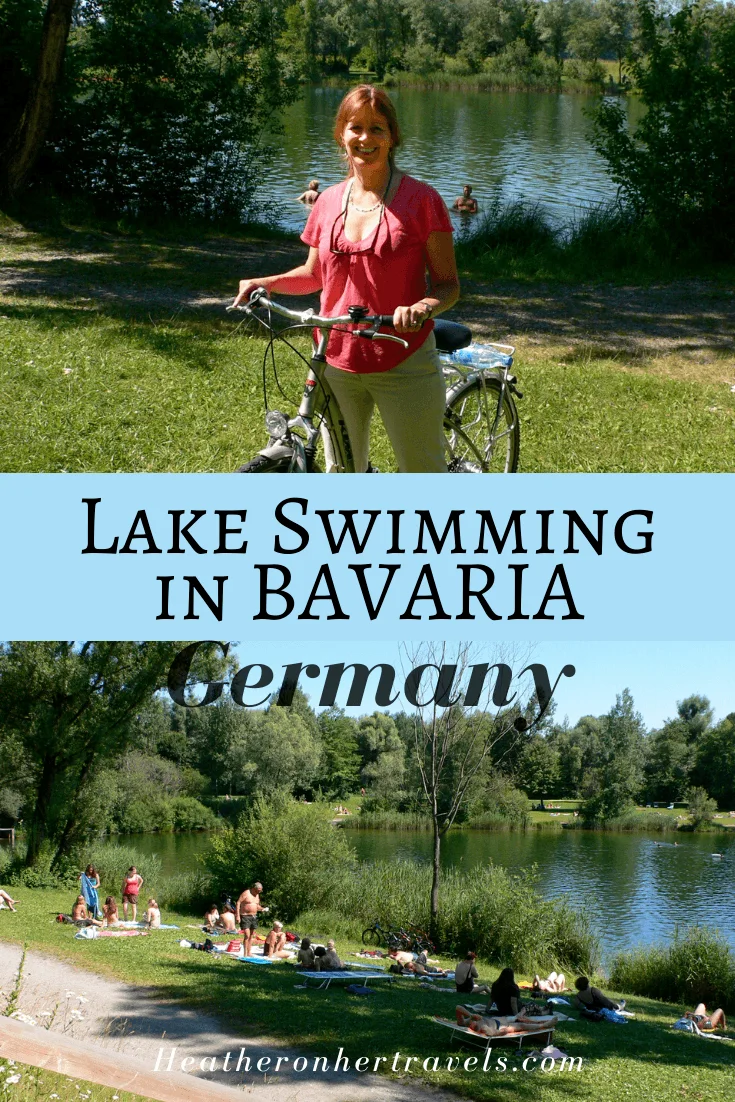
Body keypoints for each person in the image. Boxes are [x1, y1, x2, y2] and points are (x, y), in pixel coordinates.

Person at [233, 84, 459, 474]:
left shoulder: (423, 200)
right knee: (342, 473)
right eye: (356, 127)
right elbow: (314, 274)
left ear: (392, 137)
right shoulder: (326, 202)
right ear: (342, 134)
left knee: (423, 474)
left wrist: (421, 308)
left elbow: (448, 285)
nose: (365, 138)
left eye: (377, 128)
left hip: (402, 356)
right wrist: (264, 282)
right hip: (335, 359)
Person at [235, 881, 269, 958]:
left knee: (251, 935)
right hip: (245, 916)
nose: (259, 892)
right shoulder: (246, 893)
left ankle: (249, 952)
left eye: (260, 891)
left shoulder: (257, 895)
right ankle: (245, 954)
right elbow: (238, 903)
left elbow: (256, 906)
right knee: (247, 935)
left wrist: (263, 909)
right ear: (254, 888)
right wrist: (237, 915)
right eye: (258, 890)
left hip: (254, 916)